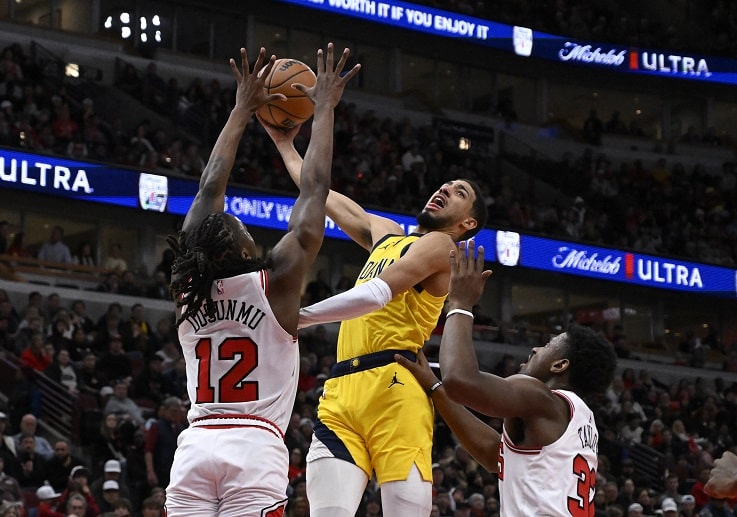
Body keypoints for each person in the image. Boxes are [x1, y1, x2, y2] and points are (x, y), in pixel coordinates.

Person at [163, 44, 359, 517]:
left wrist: (240, 111)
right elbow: (315, 191)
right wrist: (325, 109)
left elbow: (209, 186)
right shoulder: (275, 285)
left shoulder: (187, 290)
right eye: (243, 228)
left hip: (195, 447)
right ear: (244, 250)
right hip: (254, 445)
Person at [264, 102, 486, 517]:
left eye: (459, 192)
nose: (444, 189)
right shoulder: (385, 233)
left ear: (467, 223)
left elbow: (379, 293)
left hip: (395, 386)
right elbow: (320, 195)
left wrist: (300, 317)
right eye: (445, 185)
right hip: (342, 388)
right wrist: (285, 145)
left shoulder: (442, 248)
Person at [396, 241, 617, 516]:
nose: (536, 349)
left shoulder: (539, 396)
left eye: (547, 345)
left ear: (560, 365)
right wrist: (434, 387)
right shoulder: (583, 421)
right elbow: (494, 455)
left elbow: (461, 380)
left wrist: (461, 304)